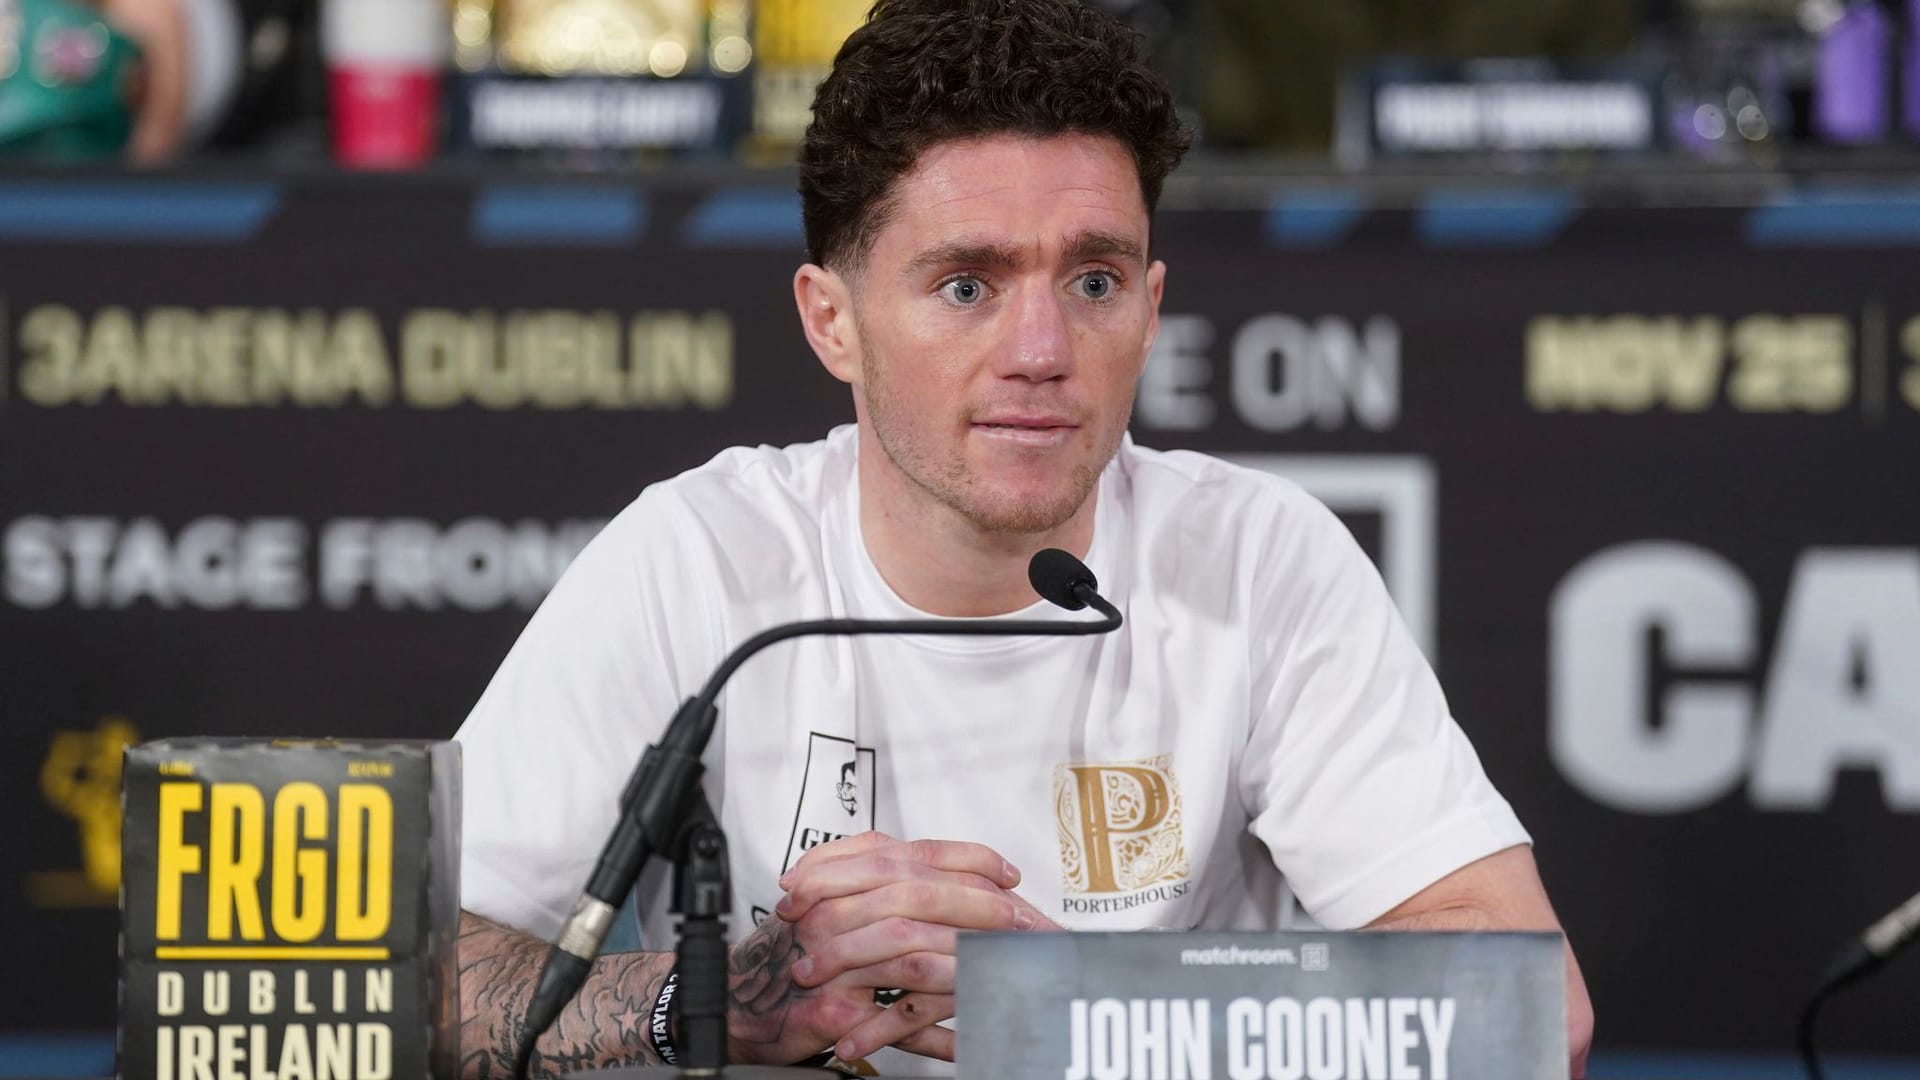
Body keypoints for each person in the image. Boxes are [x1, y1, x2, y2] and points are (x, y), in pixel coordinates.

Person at [453, 0, 1595, 1076]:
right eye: (966, 286)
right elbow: (408, 989)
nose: (1042, 348)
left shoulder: (1257, 558)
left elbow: (1536, 1017)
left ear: (1150, 311)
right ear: (831, 321)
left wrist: (1080, 1000)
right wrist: (717, 999)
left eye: (1093, 279)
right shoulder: (700, 558)